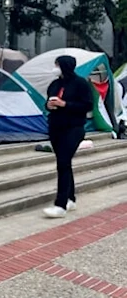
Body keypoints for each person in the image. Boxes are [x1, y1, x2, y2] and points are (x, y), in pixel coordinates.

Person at [43, 55, 93, 218]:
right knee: (64, 163)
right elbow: (48, 101)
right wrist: (49, 105)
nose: (55, 68)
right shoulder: (55, 84)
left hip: (74, 128)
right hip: (56, 126)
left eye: (57, 64)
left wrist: (66, 104)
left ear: (65, 66)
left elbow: (87, 105)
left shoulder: (80, 84)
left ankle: (60, 205)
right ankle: (70, 198)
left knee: (63, 163)